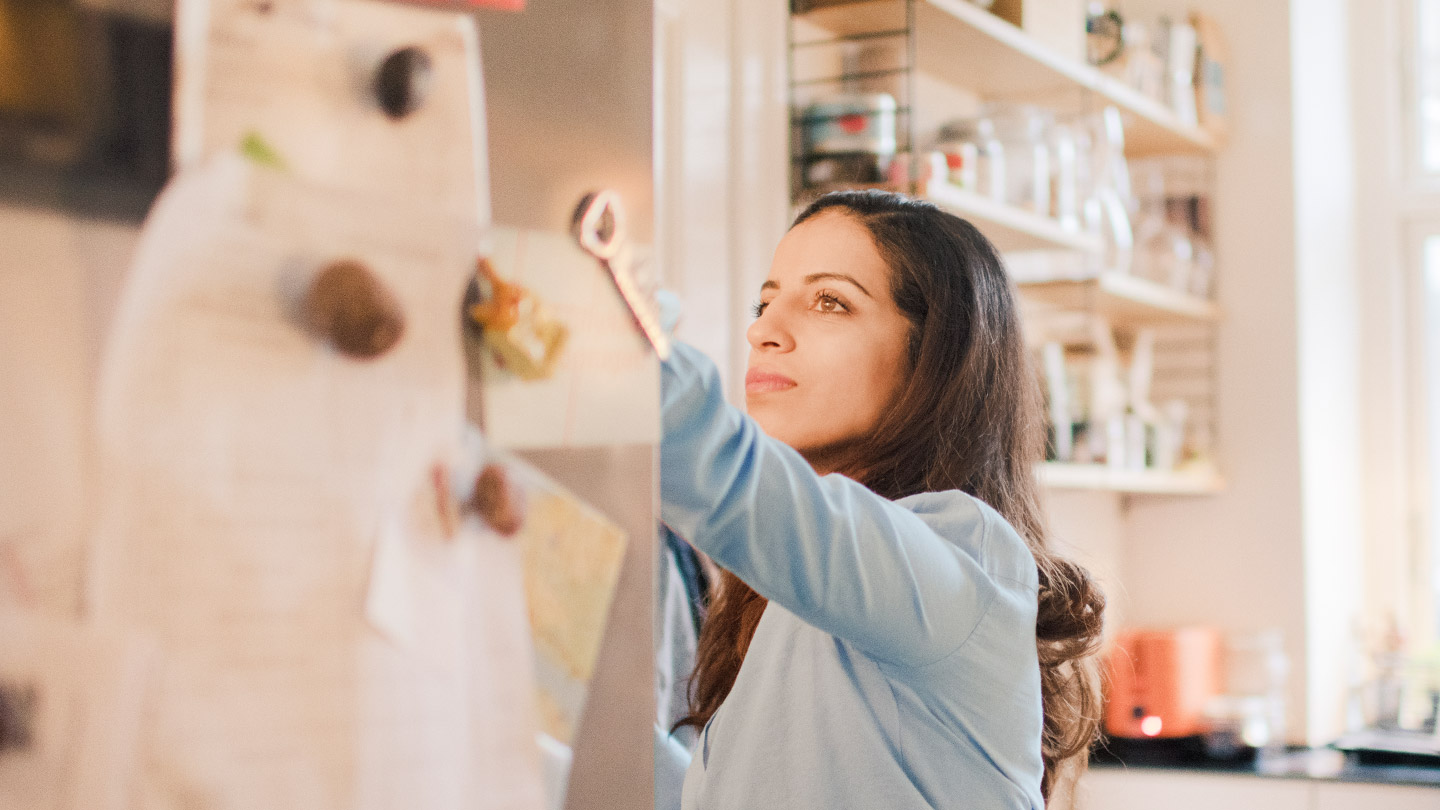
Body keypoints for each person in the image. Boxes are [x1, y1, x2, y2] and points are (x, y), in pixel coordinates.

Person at [660, 190, 1106, 809]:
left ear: (933, 357)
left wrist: (618, 336)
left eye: (830, 301)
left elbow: (721, 473)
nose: (762, 330)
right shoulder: (787, 600)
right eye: (765, 303)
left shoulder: (960, 554)